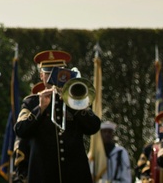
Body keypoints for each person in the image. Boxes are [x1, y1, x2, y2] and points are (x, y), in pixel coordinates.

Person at [15, 50, 100, 183]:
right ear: (41, 76)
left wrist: (75, 104)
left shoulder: (75, 100)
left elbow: (94, 127)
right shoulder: (31, 102)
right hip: (43, 176)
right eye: (49, 73)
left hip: (75, 176)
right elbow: (20, 129)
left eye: (58, 73)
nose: (53, 78)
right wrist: (40, 108)